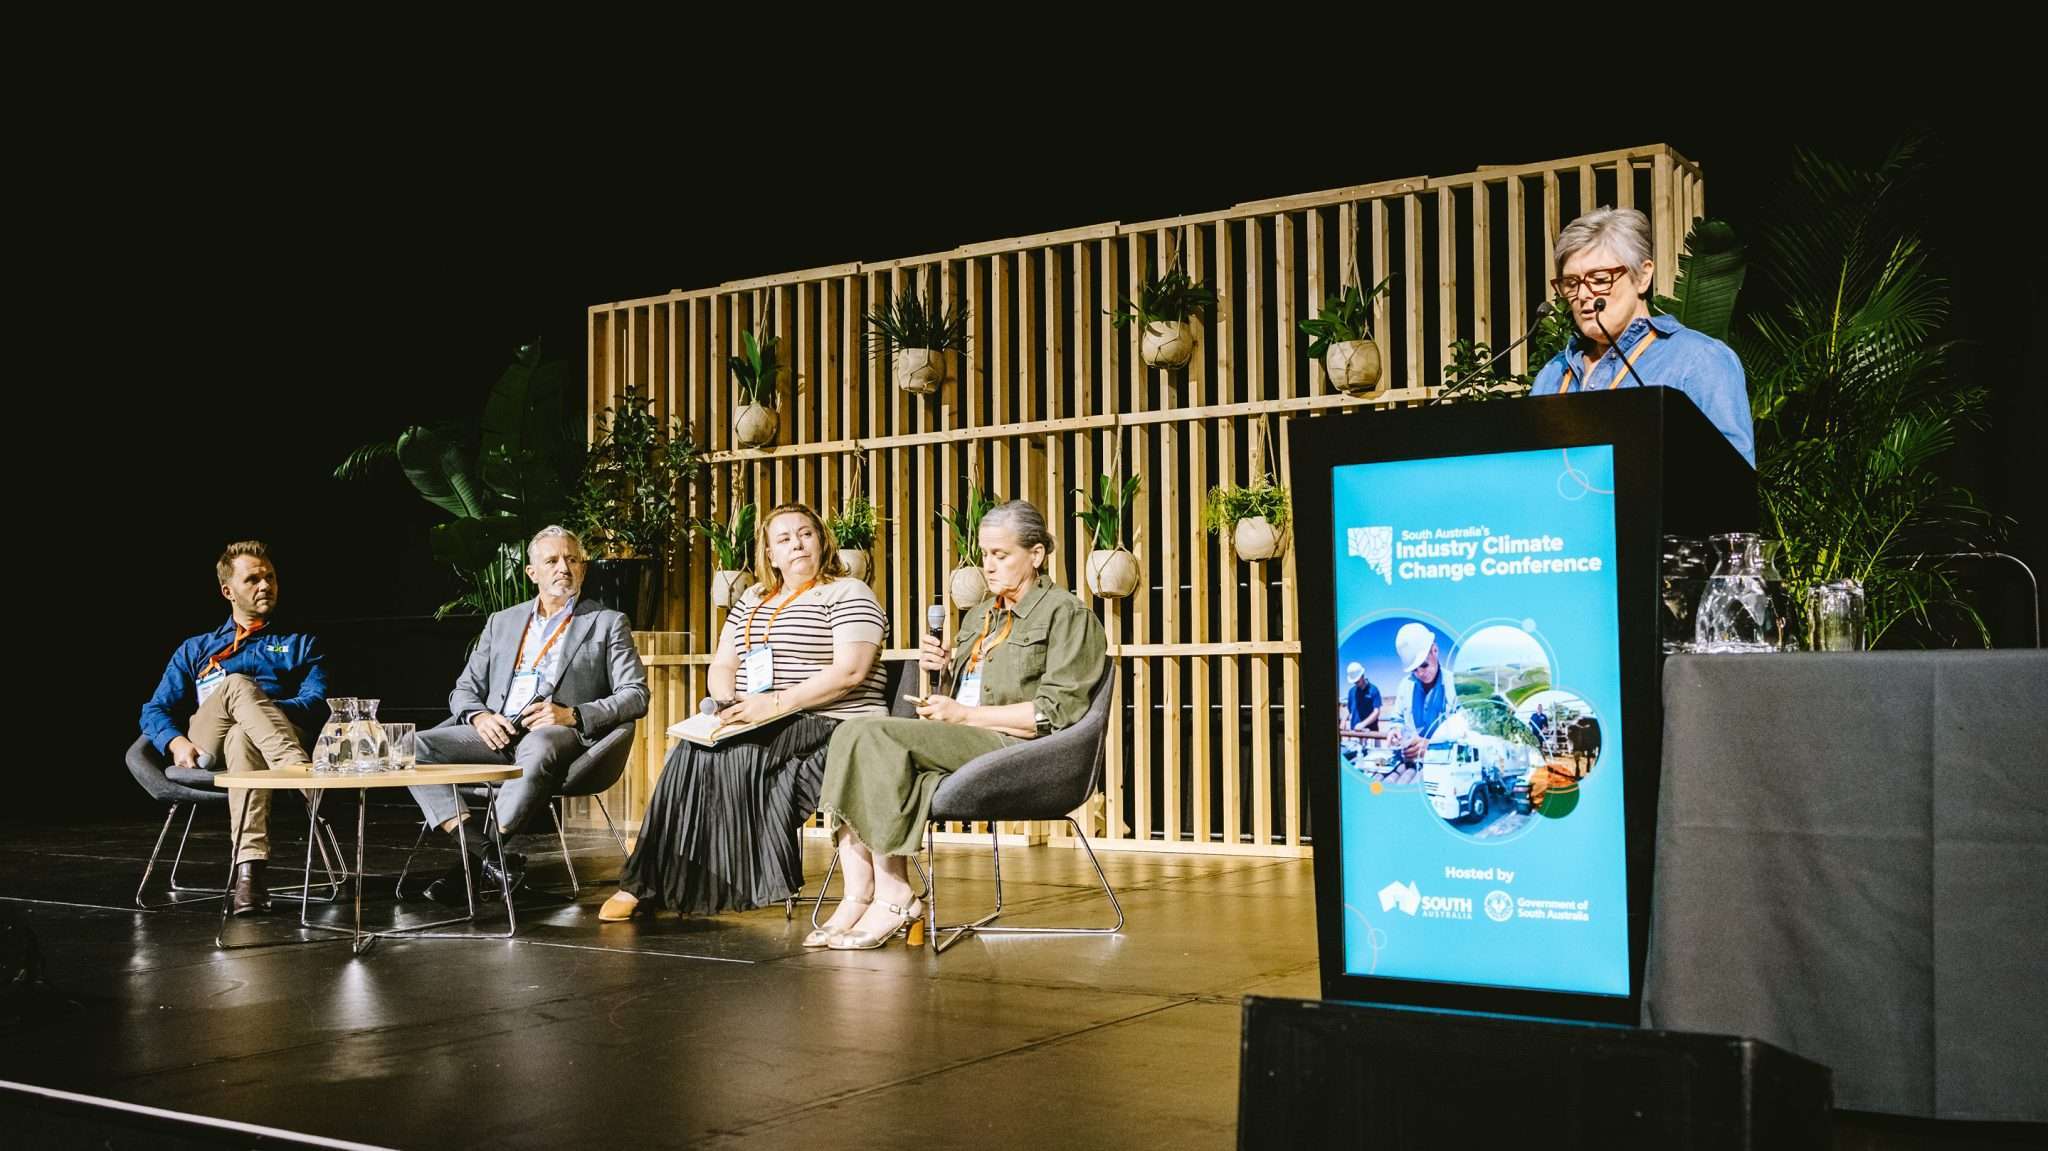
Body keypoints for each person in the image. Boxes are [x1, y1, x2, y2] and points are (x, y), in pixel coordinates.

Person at [814, 501, 1107, 950]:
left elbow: (1053, 714)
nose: (988, 565)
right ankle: (859, 891)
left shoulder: (1066, 614)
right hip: (966, 738)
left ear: (1036, 555)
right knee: (853, 730)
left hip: (1020, 748)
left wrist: (965, 715)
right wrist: (943, 671)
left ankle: (894, 893)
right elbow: (969, 692)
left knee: (873, 733)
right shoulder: (980, 615)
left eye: (1001, 555)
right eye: (985, 554)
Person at [600, 503, 888, 921]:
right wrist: (727, 703)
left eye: (805, 534)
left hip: (830, 720)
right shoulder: (753, 598)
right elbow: (723, 665)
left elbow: (850, 672)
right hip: (762, 715)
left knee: (739, 756)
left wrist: (776, 703)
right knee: (688, 754)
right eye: (784, 539)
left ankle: (718, 883)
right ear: (770, 554)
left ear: (823, 541)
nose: (797, 544)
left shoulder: (848, 591)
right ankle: (644, 880)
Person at [407, 525, 648, 905]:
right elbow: (463, 690)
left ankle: (470, 869)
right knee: (410, 748)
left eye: (572, 560)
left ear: (583, 569)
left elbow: (636, 694)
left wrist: (572, 715)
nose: (563, 568)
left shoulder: (606, 622)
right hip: (497, 730)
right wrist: (480, 717)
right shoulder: (501, 622)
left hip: (554, 732)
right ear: (532, 573)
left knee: (538, 746)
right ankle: (489, 858)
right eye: (552, 561)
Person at [139, 541, 325, 915]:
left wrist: (257, 712)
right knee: (237, 685)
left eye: (270, 577)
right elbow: (154, 709)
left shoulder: (300, 644)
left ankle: (249, 876)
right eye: (253, 579)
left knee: (244, 735)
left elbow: (315, 702)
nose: (265, 585)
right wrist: (174, 742)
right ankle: (304, 778)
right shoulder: (196, 648)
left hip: (263, 744)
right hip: (209, 743)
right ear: (228, 591)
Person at [1528, 206, 1755, 467]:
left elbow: (1732, 476)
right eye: (1571, 284)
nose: (1582, 295)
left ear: (1643, 276)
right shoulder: (1553, 374)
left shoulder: (1698, 360)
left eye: (1599, 279)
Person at [1388, 622, 1459, 763]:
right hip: (1411, 764)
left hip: (1444, 766)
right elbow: (1398, 720)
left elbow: (1465, 736)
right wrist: (1395, 731)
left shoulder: (1456, 687)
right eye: (1414, 669)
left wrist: (1430, 747)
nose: (1420, 673)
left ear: (1435, 650)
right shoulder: (1405, 686)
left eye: (1424, 665)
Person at [1344, 661, 1381, 731]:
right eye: (1354, 682)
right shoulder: (1351, 691)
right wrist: (1343, 720)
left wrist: (1363, 724)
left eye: (1357, 681)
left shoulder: (1373, 690)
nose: (1356, 683)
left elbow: (1376, 712)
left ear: (1362, 675)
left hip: (1371, 732)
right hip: (1354, 731)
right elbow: (1349, 709)